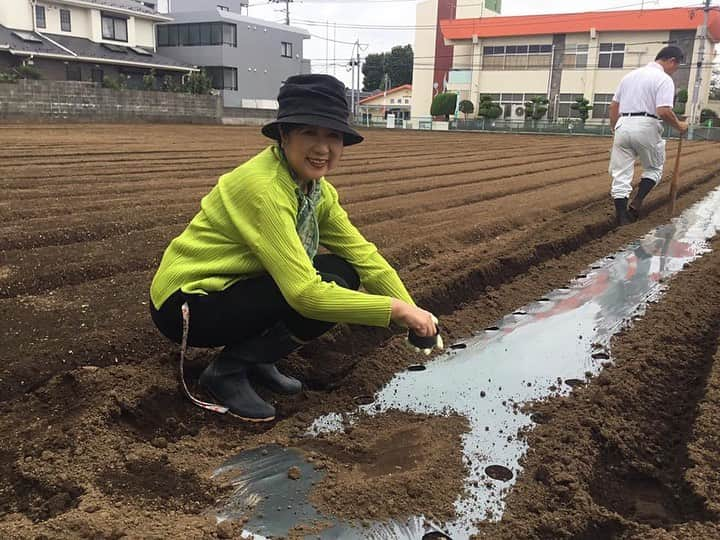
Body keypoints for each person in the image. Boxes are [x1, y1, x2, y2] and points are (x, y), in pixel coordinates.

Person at [149, 74, 442, 422]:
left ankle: (257, 357)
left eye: (333, 135)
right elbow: (304, 294)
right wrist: (395, 310)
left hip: (232, 289)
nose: (322, 148)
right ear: (285, 136)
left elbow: (364, 257)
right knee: (313, 289)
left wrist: (414, 312)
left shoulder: (315, 190)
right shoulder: (265, 189)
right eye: (309, 132)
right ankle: (227, 372)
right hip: (187, 302)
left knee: (342, 272)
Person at [608, 45, 689, 226]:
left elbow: (614, 106)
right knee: (654, 168)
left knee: (621, 174)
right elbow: (664, 111)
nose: (675, 71)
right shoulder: (664, 79)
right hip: (646, 125)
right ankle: (637, 202)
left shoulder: (629, 76)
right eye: (676, 67)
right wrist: (680, 126)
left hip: (623, 124)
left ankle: (622, 217)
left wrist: (615, 127)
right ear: (671, 61)